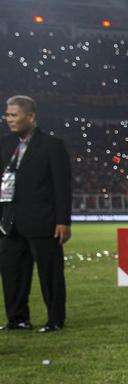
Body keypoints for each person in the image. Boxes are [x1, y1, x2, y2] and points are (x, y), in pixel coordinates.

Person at [0, 95, 71, 333]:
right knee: (11, 272)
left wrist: (63, 220)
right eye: (7, 115)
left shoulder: (52, 145)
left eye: (14, 115)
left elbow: (62, 186)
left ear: (30, 116)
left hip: (43, 221)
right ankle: (17, 319)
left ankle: (55, 319)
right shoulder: (4, 145)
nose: (9, 119)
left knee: (50, 274)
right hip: (10, 223)